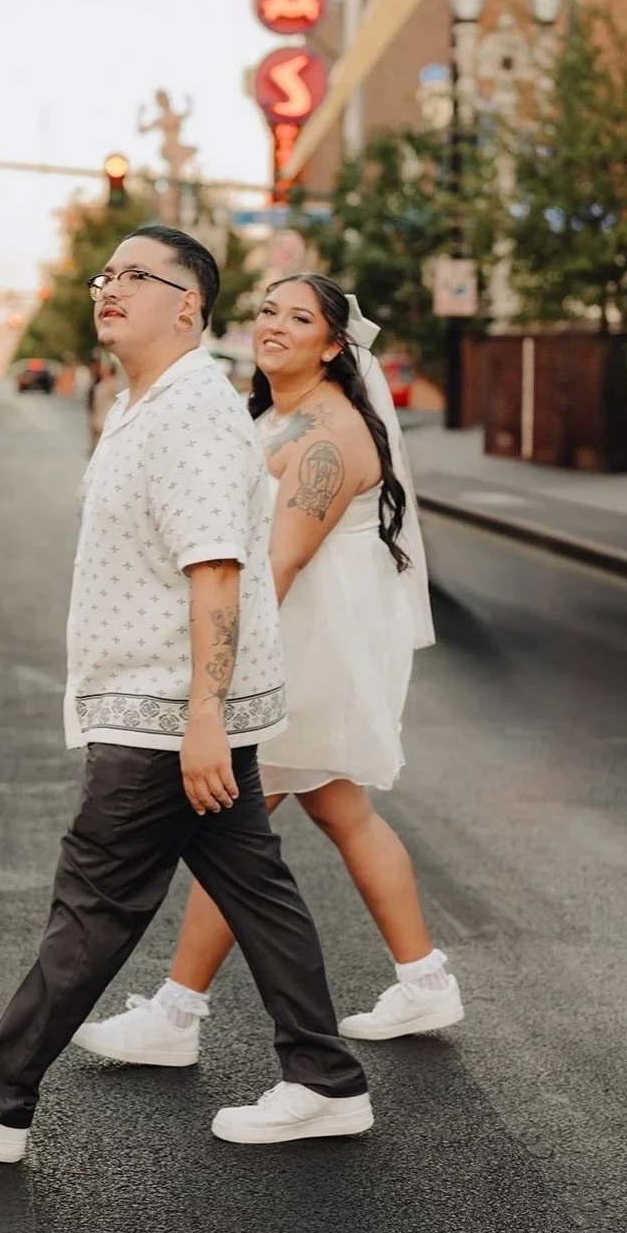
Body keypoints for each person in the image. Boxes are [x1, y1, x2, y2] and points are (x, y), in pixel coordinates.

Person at [0, 227, 370, 1163]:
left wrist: (204, 717)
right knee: (255, 887)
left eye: (137, 276)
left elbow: (216, 570)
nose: (111, 288)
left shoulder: (189, 413)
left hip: (165, 709)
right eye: (108, 275)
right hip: (165, 702)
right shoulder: (146, 402)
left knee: (96, 900)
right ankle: (324, 1078)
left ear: (190, 304)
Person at [74, 273, 461, 1069]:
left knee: (234, 822)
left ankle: (179, 1015)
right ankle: (424, 980)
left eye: (299, 318)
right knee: (337, 810)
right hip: (296, 638)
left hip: (303, 643)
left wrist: (206, 689)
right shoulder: (271, 415)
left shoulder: (325, 435)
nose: (275, 326)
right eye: (266, 312)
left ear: (331, 345)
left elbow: (275, 567)